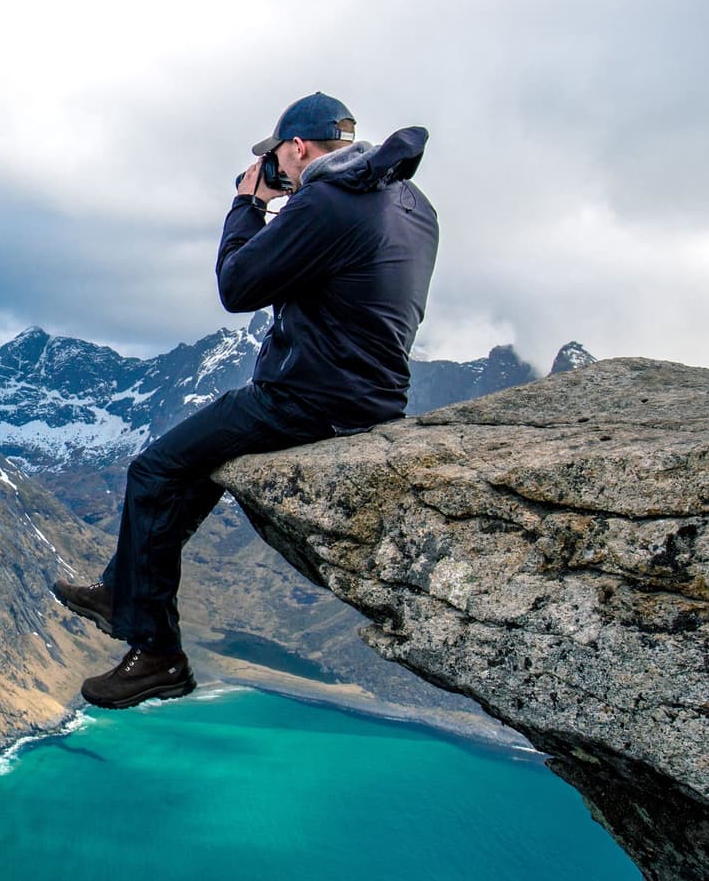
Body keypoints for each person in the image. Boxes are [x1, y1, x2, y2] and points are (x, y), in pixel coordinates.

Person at [53, 91, 439, 708]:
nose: (275, 169)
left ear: (297, 148)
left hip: (309, 400)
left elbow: (237, 286)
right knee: (197, 466)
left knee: (153, 470)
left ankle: (158, 654)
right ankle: (123, 593)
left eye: (277, 158)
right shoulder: (411, 203)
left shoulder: (327, 201)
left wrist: (248, 203)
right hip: (375, 397)